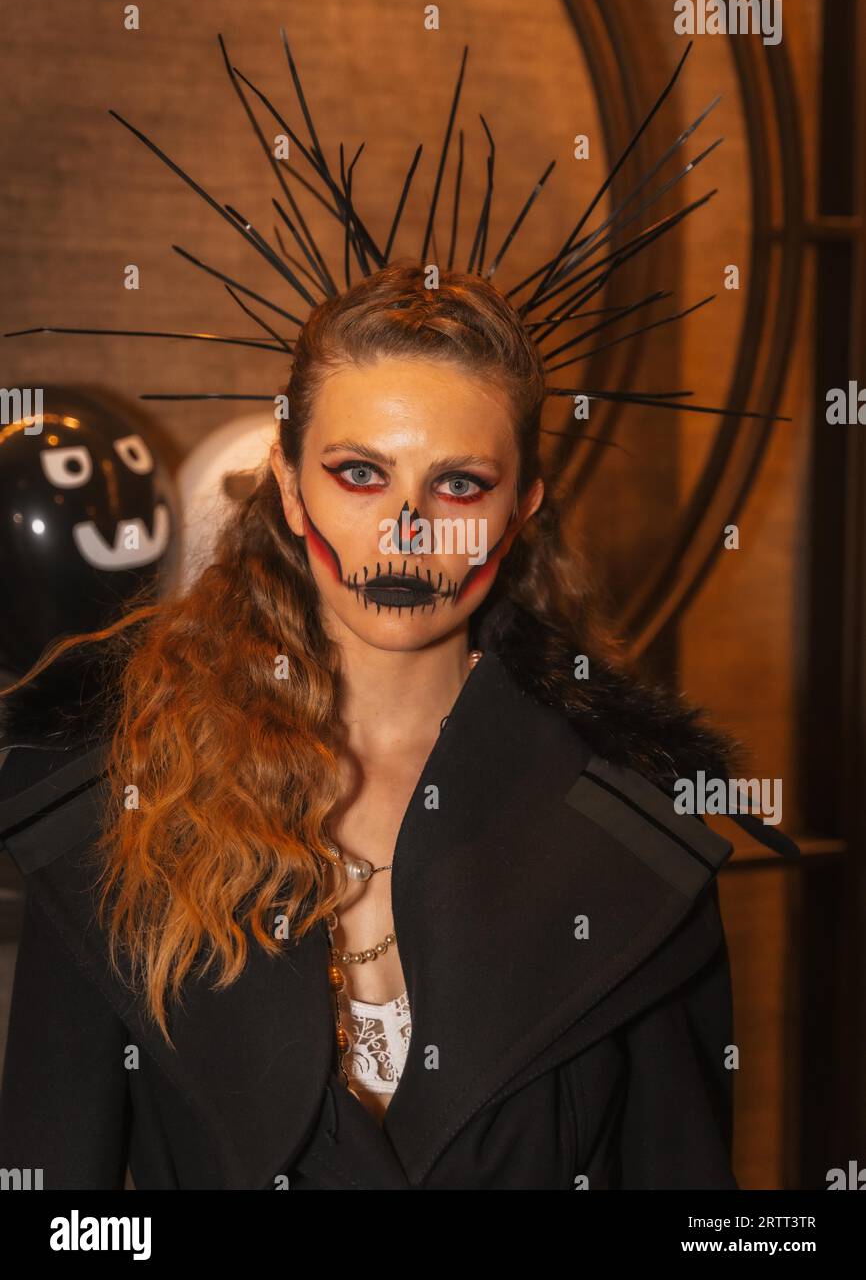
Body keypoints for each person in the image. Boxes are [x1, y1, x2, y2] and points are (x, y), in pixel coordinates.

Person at [0, 260, 795, 1190]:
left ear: (521, 510)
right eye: (360, 475)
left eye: (459, 486)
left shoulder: (633, 844)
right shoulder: (120, 813)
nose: (409, 532)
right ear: (292, 489)